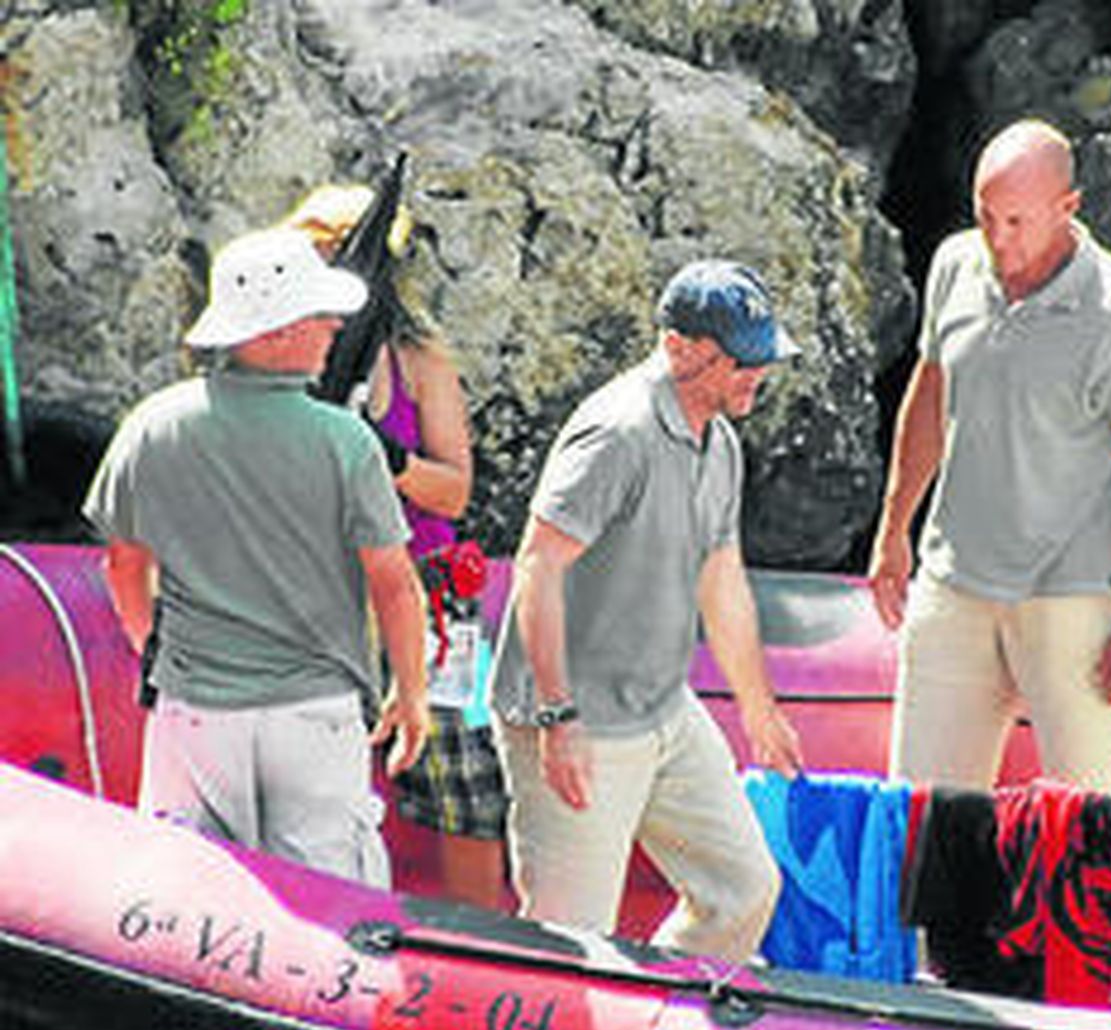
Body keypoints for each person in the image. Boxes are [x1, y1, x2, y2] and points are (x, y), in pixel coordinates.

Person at [82, 225, 431, 886]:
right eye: (320, 319)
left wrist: (150, 645)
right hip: (313, 712)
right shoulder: (344, 442)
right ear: (275, 332)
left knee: (184, 890)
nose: (333, 328)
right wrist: (409, 694)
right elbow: (393, 582)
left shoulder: (152, 427)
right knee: (331, 904)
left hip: (194, 711)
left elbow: (123, 564)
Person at [488, 259, 803, 962]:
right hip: (577, 716)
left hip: (663, 707)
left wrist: (758, 708)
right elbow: (538, 566)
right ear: (679, 347)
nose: (757, 374)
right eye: (740, 360)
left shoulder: (719, 440)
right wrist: (557, 717)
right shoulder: (618, 433)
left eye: (762, 357)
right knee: (571, 946)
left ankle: (664, 1015)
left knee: (745, 888)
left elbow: (721, 576)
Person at [868, 117, 1111, 801]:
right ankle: (930, 917)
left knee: (1096, 824)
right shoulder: (956, 264)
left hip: (1072, 598)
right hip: (954, 584)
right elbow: (928, 397)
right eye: (986, 217)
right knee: (918, 819)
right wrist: (892, 529)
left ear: (1068, 209)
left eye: (1016, 222)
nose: (998, 239)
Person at [285, 183, 506, 910]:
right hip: (322, 586)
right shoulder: (277, 354)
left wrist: (386, 455)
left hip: (432, 589)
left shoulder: (419, 361)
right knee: (311, 768)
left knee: (468, 786)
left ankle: (481, 942)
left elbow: (455, 492)